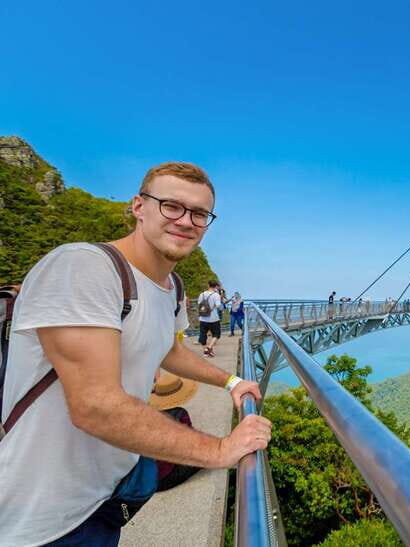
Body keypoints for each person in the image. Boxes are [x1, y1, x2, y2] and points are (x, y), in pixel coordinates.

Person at [0, 162, 272, 545]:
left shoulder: (171, 286)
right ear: (138, 207)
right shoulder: (83, 267)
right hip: (40, 515)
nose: (185, 220)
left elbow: (169, 350)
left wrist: (230, 380)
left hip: (105, 497)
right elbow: (95, 405)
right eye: (170, 205)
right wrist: (222, 450)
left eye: (199, 213)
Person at [198, 280, 223, 357]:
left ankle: (206, 350)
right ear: (215, 286)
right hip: (213, 318)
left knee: (203, 334)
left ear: (208, 285)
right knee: (216, 334)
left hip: (203, 318)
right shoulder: (216, 295)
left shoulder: (202, 294)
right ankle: (208, 348)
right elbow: (219, 306)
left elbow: (199, 304)